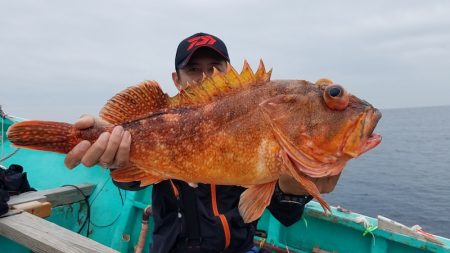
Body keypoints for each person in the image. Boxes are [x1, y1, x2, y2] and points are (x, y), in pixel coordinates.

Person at [64, 33, 341, 253]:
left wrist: (294, 185)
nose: (206, 76)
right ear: (176, 79)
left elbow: (286, 214)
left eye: (214, 67)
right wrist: (112, 155)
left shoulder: (260, 118)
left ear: (229, 71)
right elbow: (131, 180)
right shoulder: (162, 120)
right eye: (193, 69)